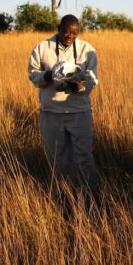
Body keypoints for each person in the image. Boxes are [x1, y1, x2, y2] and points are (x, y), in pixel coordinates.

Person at [27, 14, 100, 196]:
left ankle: (91, 196)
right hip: (51, 113)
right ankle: (64, 196)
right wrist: (50, 75)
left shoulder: (86, 49)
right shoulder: (43, 48)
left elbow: (92, 80)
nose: (70, 37)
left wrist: (79, 86)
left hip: (79, 112)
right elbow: (33, 75)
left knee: (83, 157)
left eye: (74, 34)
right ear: (59, 28)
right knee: (57, 158)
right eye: (67, 32)